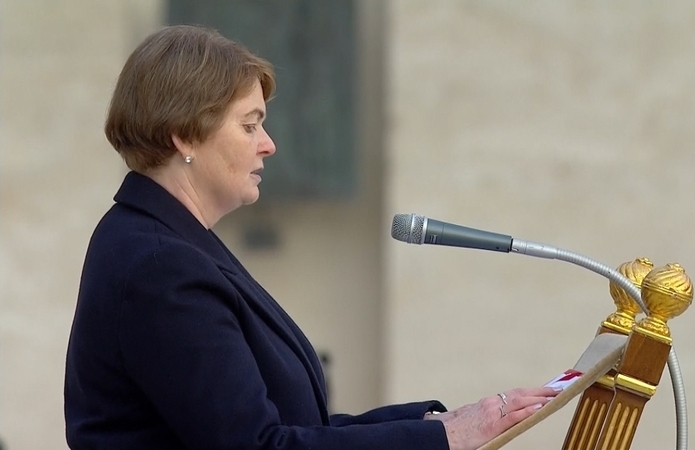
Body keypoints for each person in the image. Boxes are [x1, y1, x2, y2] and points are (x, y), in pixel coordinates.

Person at [63, 25, 559, 450]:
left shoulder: (169, 241)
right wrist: (443, 439)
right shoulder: (159, 264)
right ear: (185, 135)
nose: (268, 144)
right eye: (250, 125)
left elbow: (293, 428)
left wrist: (439, 426)